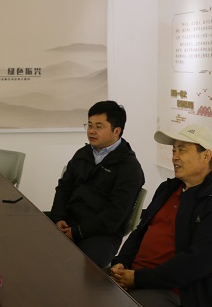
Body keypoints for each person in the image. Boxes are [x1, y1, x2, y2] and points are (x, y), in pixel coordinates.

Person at [110, 123, 212, 307]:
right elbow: (140, 232)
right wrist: (121, 263)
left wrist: (138, 279)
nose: (174, 157)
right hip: (138, 276)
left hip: (179, 292)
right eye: (173, 150)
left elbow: (194, 263)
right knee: (86, 294)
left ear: (205, 156)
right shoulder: (168, 189)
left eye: (182, 150)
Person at [48, 100, 144, 267]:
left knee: (82, 268)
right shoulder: (82, 154)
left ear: (117, 131)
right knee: (30, 238)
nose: (91, 131)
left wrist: (77, 232)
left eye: (99, 127)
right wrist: (58, 217)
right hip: (69, 221)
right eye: (90, 125)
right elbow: (63, 188)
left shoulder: (129, 167)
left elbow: (114, 215)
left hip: (101, 233)